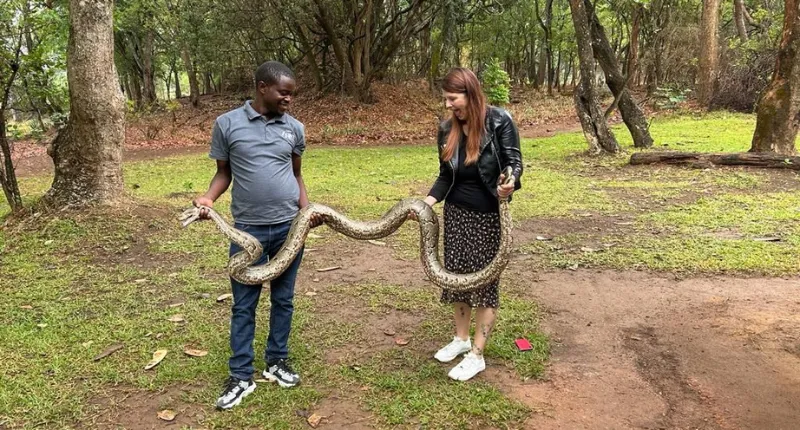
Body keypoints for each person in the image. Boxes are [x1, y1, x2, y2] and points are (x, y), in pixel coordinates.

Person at [192, 61, 322, 410]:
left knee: (284, 299)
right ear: (262, 87)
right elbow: (224, 173)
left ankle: (277, 361)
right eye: (284, 92)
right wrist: (208, 198)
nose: (289, 99)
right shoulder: (227, 124)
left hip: (289, 229)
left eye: (292, 94)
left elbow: (297, 175)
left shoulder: (294, 128)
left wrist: (306, 213)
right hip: (247, 231)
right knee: (244, 304)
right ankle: (240, 375)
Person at [420, 67, 523, 381]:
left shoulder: (499, 121)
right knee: (457, 281)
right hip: (456, 216)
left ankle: (477, 354)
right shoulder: (445, 129)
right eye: (446, 99)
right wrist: (424, 204)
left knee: (484, 284)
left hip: (488, 218)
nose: (449, 105)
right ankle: (461, 340)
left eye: (453, 99)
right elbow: (445, 176)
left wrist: (510, 182)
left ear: (470, 93)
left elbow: (513, 162)